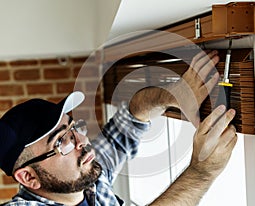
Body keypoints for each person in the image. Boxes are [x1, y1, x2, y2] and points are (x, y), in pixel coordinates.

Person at [0, 50, 237, 206]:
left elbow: (133, 116)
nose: (81, 140)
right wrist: (202, 172)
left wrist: (173, 95)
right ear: (29, 177)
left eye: (73, 128)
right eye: (62, 141)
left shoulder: (88, 178)